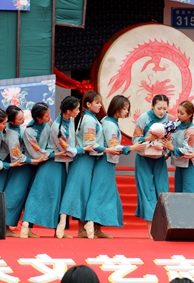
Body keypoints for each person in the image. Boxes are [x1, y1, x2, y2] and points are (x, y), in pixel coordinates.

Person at [84, 95, 145, 237]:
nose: (126, 111)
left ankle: (97, 228)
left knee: (104, 193)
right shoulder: (110, 124)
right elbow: (114, 146)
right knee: (100, 193)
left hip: (107, 161)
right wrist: (132, 147)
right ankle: (90, 221)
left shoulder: (108, 121)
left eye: (127, 109)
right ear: (116, 108)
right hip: (105, 161)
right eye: (124, 108)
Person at [59, 91, 114, 239]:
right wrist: (108, 150)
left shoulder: (91, 118)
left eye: (100, 102)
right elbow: (90, 144)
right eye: (97, 102)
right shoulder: (89, 120)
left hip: (87, 159)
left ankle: (84, 229)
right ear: (88, 104)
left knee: (84, 194)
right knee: (79, 193)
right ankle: (73, 228)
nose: (100, 105)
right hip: (83, 159)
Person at [132, 94, 173, 238]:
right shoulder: (143, 118)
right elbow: (135, 139)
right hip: (144, 159)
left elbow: (172, 139)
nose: (162, 111)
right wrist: (150, 138)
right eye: (158, 108)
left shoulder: (170, 119)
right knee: (147, 192)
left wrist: (167, 147)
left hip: (160, 159)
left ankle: (162, 226)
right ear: (152, 106)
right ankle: (151, 230)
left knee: (162, 190)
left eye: (164, 108)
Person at [2, 105, 38, 237]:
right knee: (14, 195)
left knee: (21, 195)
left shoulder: (17, 127)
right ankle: (5, 226)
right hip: (18, 166)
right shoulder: (11, 134)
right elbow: (16, 156)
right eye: (20, 119)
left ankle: (19, 226)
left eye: (23, 117)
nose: (23, 120)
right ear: (11, 121)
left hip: (24, 165)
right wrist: (33, 160)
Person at [19, 102, 53, 238]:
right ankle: (24, 225)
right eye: (47, 115)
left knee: (35, 194)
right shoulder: (29, 131)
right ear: (38, 118)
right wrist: (54, 154)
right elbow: (36, 152)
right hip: (29, 165)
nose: (49, 117)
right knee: (28, 194)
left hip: (42, 163)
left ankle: (29, 227)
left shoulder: (47, 124)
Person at [162, 100, 194, 193]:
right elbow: (174, 142)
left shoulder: (191, 130)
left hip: (191, 165)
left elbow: (188, 151)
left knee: (192, 193)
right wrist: (168, 153)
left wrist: (172, 148)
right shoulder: (177, 125)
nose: (179, 115)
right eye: (178, 112)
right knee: (180, 192)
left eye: (182, 113)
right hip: (180, 164)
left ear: (190, 114)